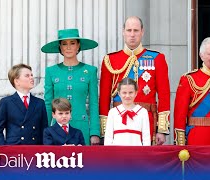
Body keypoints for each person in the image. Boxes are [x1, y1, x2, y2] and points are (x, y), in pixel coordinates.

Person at [99, 16, 170, 145]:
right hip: (118, 120)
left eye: (136, 31)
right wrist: (104, 130)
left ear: (142, 32)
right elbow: (104, 98)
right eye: (129, 30)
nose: (132, 35)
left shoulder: (157, 58)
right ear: (123, 31)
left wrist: (162, 129)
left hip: (148, 120)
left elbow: (164, 96)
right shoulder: (110, 60)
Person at [41, 28, 100, 145]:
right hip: (56, 130)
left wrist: (94, 132)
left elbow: (94, 103)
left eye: (72, 43)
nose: (68, 47)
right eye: (64, 44)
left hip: (82, 127)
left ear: (78, 46)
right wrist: (45, 130)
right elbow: (48, 103)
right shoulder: (51, 71)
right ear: (60, 48)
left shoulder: (90, 71)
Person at [0, 64, 48, 145]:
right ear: (17, 81)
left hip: (35, 150)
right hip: (14, 151)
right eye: (27, 76)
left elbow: (44, 130)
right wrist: (3, 150)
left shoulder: (40, 103)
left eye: (31, 75)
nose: (31, 78)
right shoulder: (6, 102)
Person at [104, 78, 150, 146]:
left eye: (131, 92)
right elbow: (108, 138)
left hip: (137, 153)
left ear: (136, 93)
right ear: (119, 93)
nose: (127, 96)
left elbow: (146, 138)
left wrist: (145, 154)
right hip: (117, 153)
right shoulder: (113, 112)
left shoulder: (143, 112)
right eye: (124, 93)